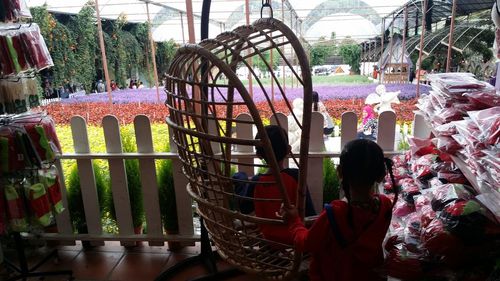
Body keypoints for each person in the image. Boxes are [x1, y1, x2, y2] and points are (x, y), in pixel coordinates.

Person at [281, 139, 397, 281]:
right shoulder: (385, 206)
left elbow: (305, 243)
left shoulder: (334, 214)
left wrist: (294, 221)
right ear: (381, 175)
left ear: (340, 172)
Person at [232, 125, 316, 245]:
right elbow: (310, 212)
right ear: (288, 150)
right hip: (294, 236)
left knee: (240, 179)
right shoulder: (296, 176)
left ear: (259, 155)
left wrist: (241, 177)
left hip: (269, 238)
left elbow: (244, 208)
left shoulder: (257, 182)